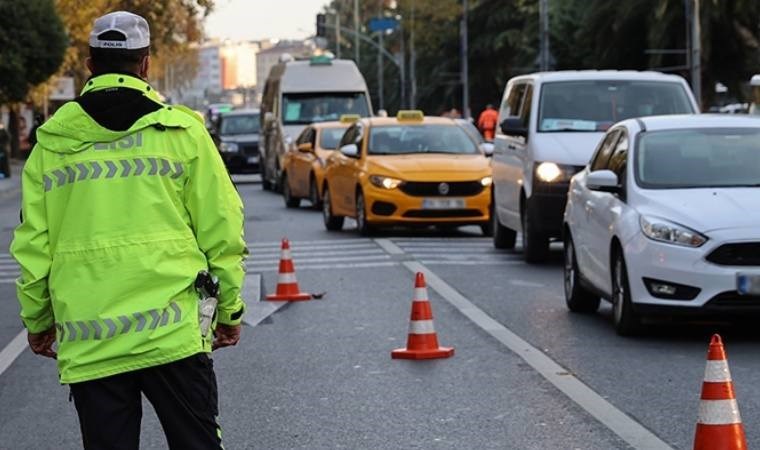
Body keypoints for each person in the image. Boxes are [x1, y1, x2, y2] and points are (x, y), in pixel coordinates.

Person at [10, 11, 246, 450]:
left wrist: (39, 320)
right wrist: (228, 311)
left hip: (92, 341)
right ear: (146, 64)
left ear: (89, 64)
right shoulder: (182, 133)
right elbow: (223, 231)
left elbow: (34, 245)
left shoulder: (52, 142)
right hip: (173, 336)